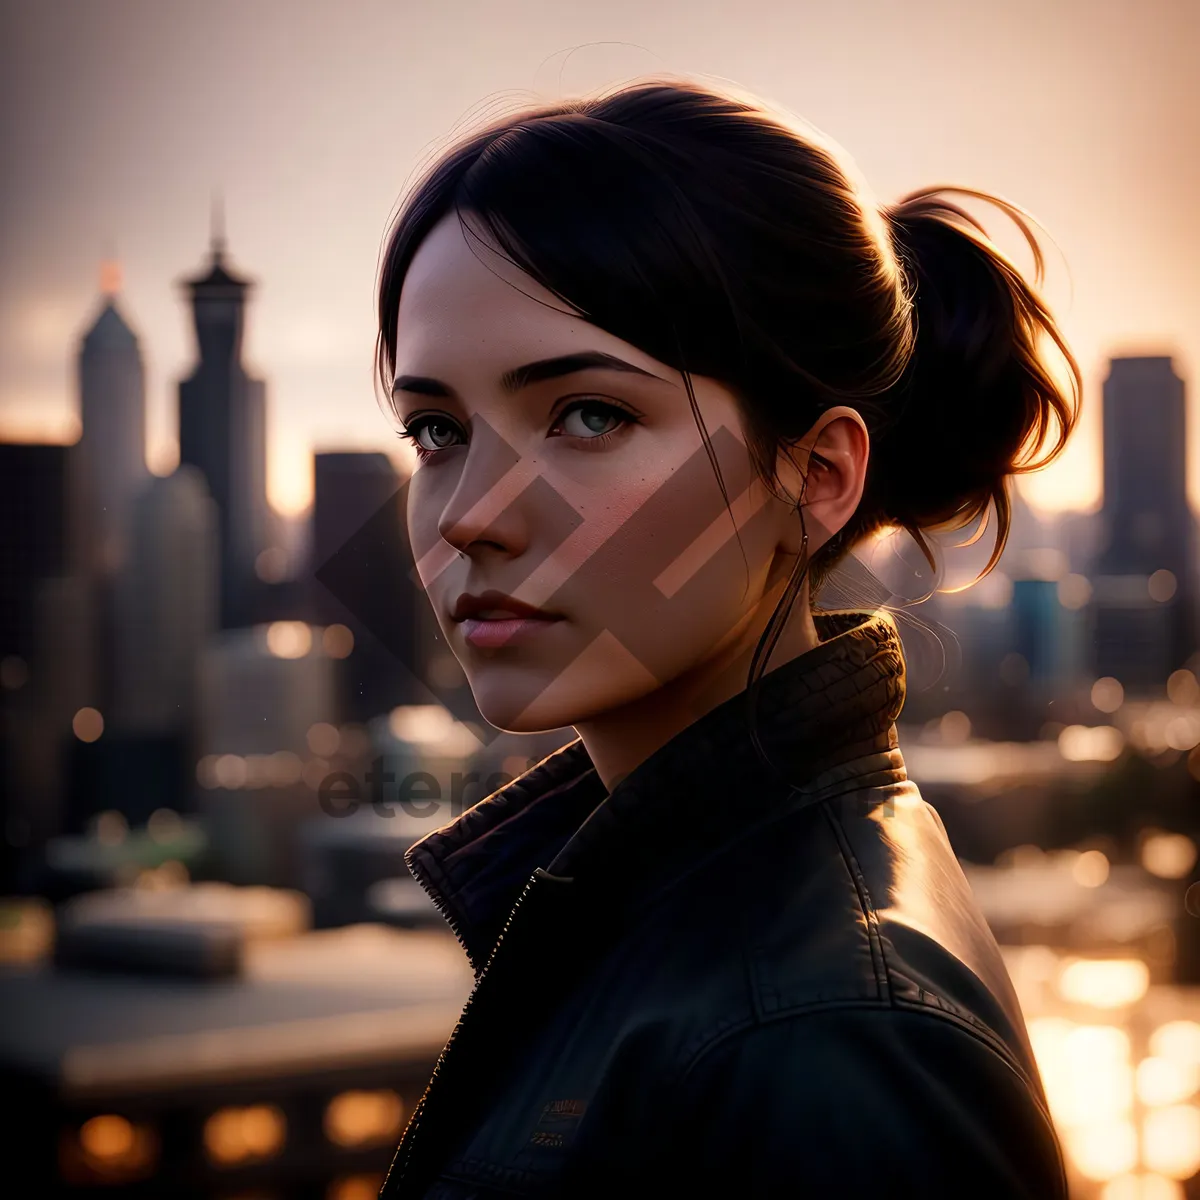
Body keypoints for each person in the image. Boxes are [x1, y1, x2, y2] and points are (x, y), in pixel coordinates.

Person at [373, 78, 1080, 1199]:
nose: (469, 511)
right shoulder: (716, 929)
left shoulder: (829, 1038)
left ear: (818, 474)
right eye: (436, 430)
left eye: (589, 413)